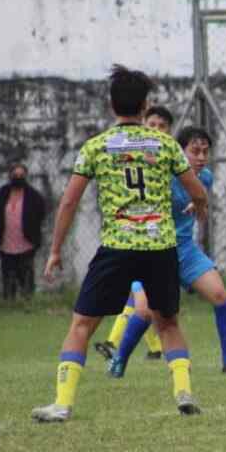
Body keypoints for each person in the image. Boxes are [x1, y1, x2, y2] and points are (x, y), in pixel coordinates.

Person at [31, 65, 209, 422]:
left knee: (82, 325)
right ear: (145, 107)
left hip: (117, 246)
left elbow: (68, 202)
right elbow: (197, 190)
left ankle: (63, 403)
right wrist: (200, 207)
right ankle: (183, 391)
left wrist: (54, 251)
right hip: (160, 246)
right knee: (169, 323)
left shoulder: (97, 147)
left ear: (113, 106)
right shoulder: (165, 144)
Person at [106, 125, 226, 377]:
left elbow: (200, 200)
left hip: (186, 251)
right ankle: (118, 360)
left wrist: (198, 203)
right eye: (195, 151)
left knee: (221, 295)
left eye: (205, 151)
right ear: (179, 152)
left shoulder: (205, 177)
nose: (201, 157)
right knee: (145, 311)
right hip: (154, 251)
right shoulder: (162, 175)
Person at [94, 105, 175, 361]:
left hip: (164, 243)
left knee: (147, 304)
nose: (157, 131)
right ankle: (118, 344)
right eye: (152, 126)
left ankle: (145, 347)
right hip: (134, 240)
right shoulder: (124, 162)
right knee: (139, 298)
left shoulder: (171, 164)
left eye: (163, 127)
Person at [0, 162, 46, 301]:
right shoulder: (2, 193)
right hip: (6, 240)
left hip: (26, 241)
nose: (18, 178)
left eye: (21, 175)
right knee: (8, 272)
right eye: (15, 175)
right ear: (10, 176)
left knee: (25, 271)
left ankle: (27, 298)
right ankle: (9, 299)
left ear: (26, 176)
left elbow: (41, 213)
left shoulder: (34, 196)